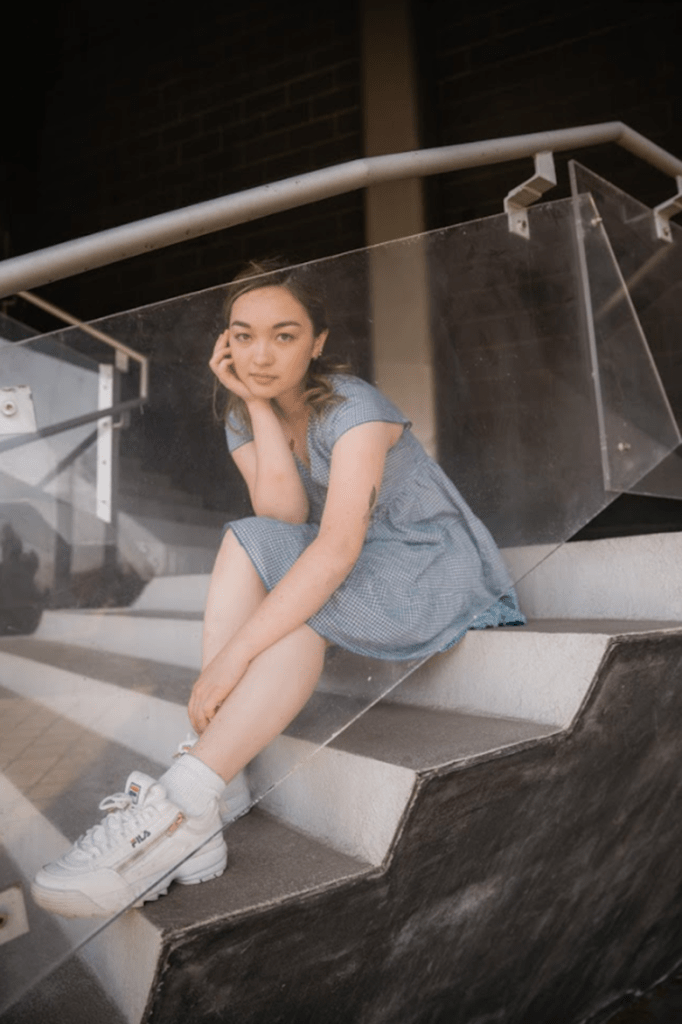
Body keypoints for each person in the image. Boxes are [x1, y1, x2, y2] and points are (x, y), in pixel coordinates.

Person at [32, 259, 524, 918]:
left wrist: (233, 657)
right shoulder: (245, 416)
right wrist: (259, 405)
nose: (260, 355)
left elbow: (336, 549)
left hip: (424, 562)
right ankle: (214, 783)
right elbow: (282, 516)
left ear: (318, 343)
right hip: (356, 559)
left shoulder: (354, 407)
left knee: (301, 611)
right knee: (245, 537)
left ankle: (185, 802)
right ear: (226, 343)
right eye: (243, 336)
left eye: (284, 336)